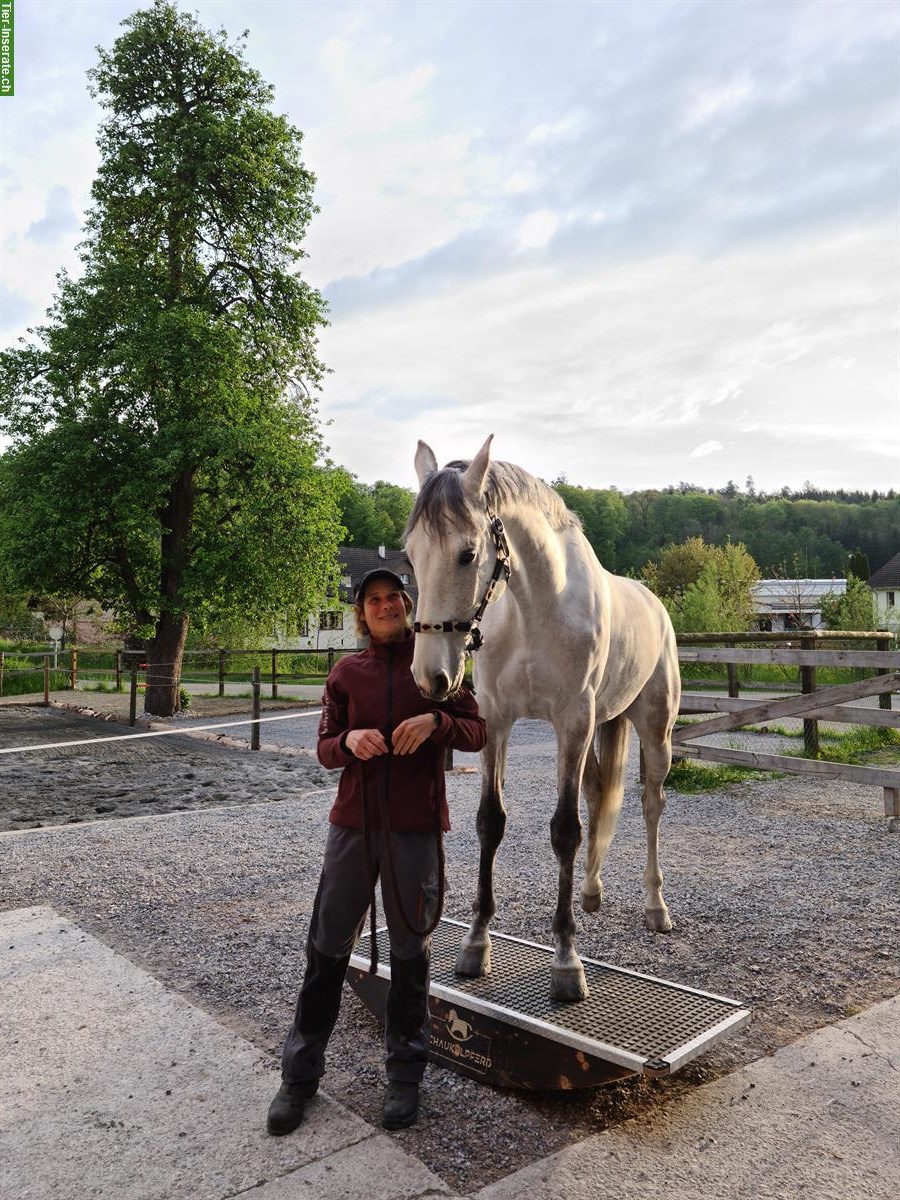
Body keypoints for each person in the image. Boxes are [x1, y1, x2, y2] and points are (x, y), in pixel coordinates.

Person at [267, 567, 486, 1135]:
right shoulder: (346, 673)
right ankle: (299, 1077)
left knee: (411, 952)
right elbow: (322, 746)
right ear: (361, 613)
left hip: (414, 829)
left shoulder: (439, 666)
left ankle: (405, 1076)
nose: (385, 606)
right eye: (374, 601)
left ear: (410, 605)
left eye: (394, 598)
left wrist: (437, 720)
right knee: (326, 947)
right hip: (354, 828)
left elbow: (476, 731)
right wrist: (347, 742)